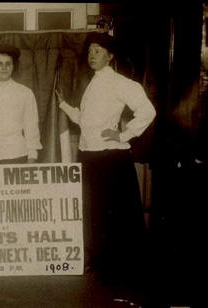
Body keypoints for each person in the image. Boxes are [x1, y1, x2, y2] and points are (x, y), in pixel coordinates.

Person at [56, 32, 156, 281]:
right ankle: (103, 265)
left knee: (116, 215)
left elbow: (148, 111)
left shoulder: (120, 83)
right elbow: (86, 122)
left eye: (98, 51)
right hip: (89, 155)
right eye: (90, 51)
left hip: (111, 158)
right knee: (96, 213)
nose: (92, 55)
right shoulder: (93, 83)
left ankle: (123, 270)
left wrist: (123, 135)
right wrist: (64, 106)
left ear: (110, 56)